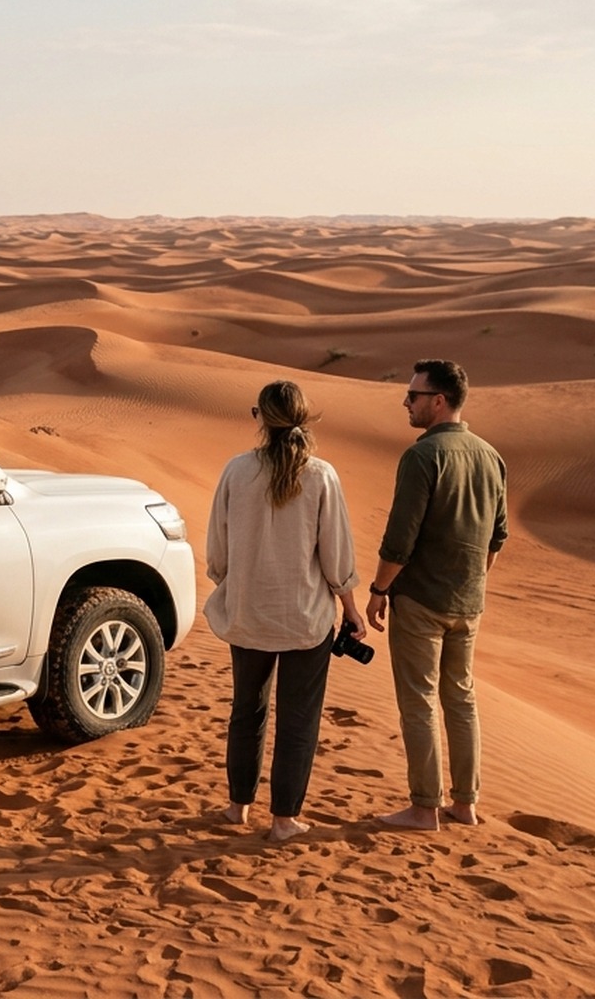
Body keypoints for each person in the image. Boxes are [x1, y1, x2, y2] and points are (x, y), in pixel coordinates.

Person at [205, 380, 364, 842]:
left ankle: (238, 807)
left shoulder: (236, 471)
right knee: (298, 718)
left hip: (248, 613)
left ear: (261, 419)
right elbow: (336, 555)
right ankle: (284, 820)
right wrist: (350, 608)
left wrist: (238, 584)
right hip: (306, 619)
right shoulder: (321, 475)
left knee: (246, 711)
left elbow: (218, 550)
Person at [365, 359, 508, 831]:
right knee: (461, 699)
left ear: (439, 401)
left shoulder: (424, 456)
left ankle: (425, 806)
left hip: (422, 601)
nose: (407, 403)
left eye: (414, 395)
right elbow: (497, 537)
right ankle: (465, 804)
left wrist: (380, 588)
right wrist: (471, 579)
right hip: (468, 602)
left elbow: (400, 537)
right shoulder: (490, 456)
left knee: (419, 702)